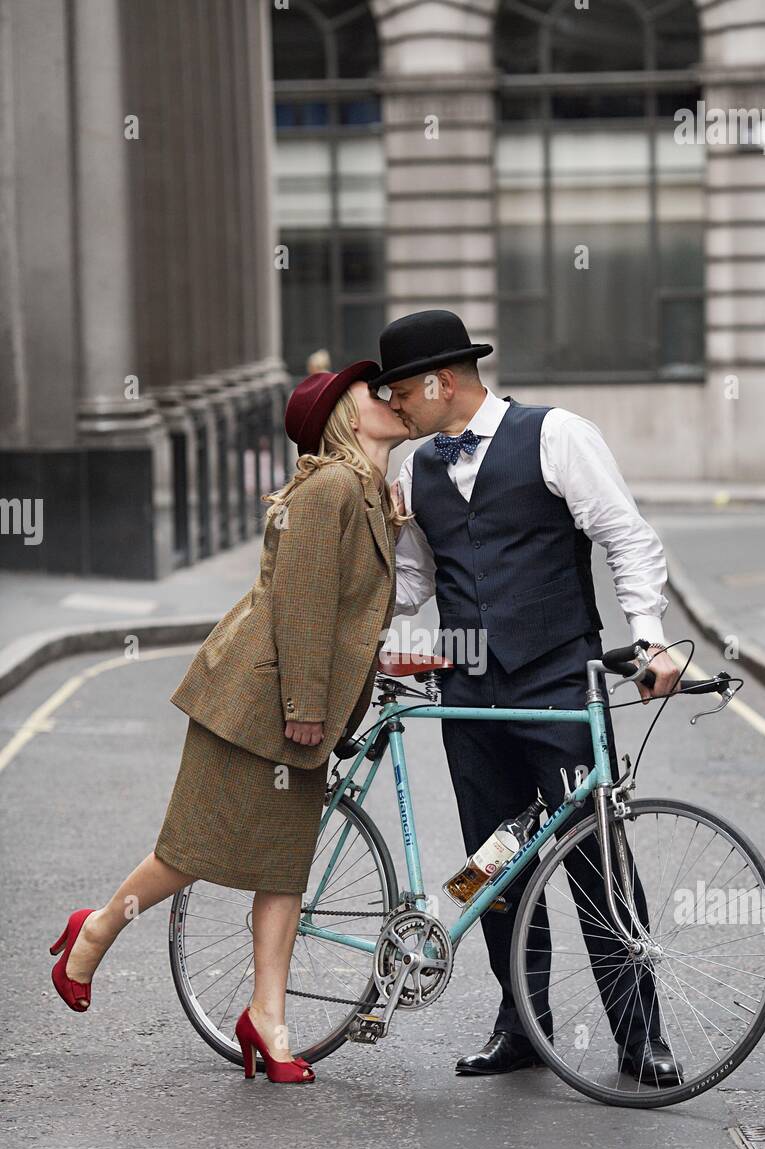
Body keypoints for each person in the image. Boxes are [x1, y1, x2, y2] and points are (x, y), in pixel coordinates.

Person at [49, 360, 409, 1084]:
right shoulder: (332, 486)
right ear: (345, 413)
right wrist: (307, 705)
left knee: (283, 866)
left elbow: (350, 613)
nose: (396, 397)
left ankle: (267, 1018)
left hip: (295, 704)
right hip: (255, 701)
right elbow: (301, 602)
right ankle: (94, 932)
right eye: (378, 392)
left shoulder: (370, 493)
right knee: (194, 846)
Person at [375, 309, 684, 1084]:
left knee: (594, 861)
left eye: (401, 392)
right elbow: (416, 580)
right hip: (470, 690)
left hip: (556, 681)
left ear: (440, 383)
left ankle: (638, 1035)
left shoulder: (557, 436)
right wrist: (365, 630)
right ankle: (522, 1024)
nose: (396, 408)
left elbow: (626, 536)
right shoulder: (412, 469)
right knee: (493, 865)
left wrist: (646, 637)